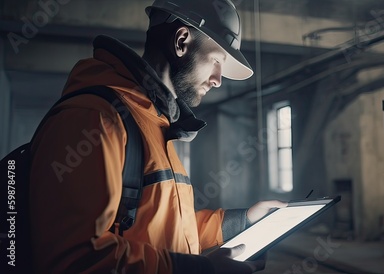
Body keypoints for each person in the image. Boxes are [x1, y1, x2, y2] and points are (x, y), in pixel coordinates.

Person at [28, 0, 286, 273]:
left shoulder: (154, 123)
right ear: (182, 41)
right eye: (217, 60)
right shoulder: (95, 118)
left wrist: (243, 220)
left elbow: (166, 231)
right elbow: (73, 257)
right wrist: (200, 270)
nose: (218, 79)